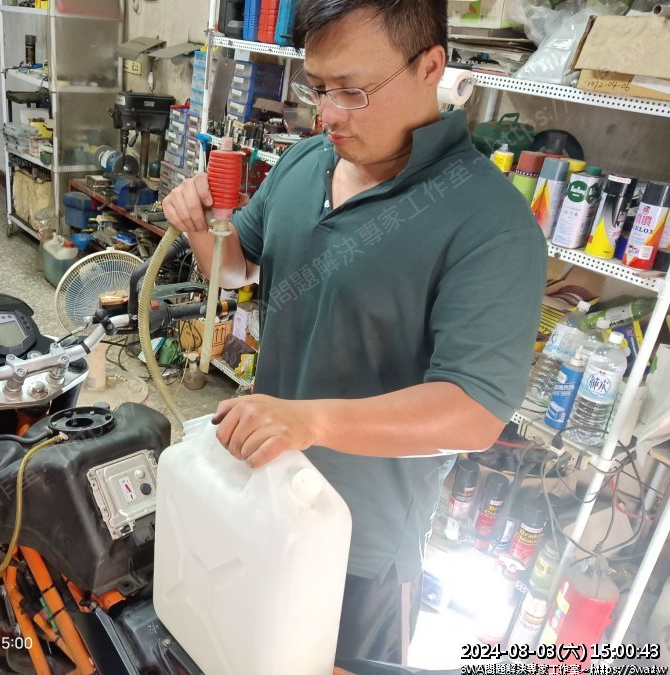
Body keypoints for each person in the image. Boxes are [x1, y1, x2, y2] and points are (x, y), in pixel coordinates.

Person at [162, 0, 547, 665]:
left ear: (431, 66)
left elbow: (474, 411)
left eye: (352, 90)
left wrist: (309, 421)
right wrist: (202, 225)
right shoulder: (303, 163)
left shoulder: (490, 222)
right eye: (318, 88)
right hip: (261, 498)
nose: (329, 114)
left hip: (360, 548)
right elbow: (235, 266)